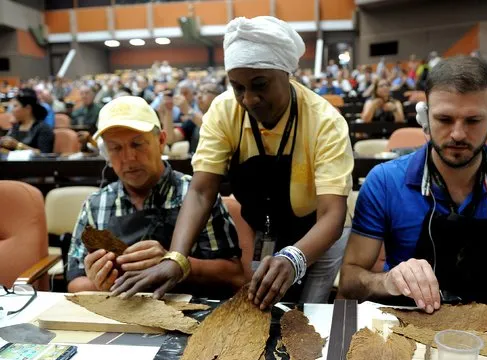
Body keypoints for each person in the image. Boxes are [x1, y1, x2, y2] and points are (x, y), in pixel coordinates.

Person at [110, 16, 354, 308]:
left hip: (318, 233)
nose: (249, 99)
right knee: (263, 311)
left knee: (306, 314)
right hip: (263, 230)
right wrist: (176, 258)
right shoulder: (225, 111)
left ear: (287, 73)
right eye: (238, 87)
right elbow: (201, 191)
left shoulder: (324, 122)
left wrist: (294, 258)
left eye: (260, 85)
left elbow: (332, 214)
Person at [338, 56, 487, 317]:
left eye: (473, 121)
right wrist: (387, 281)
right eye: (445, 119)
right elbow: (349, 279)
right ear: (425, 115)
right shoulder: (385, 182)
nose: (458, 134)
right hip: (406, 323)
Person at [66, 96, 244, 298]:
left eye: (137, 144)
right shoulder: (96, 205)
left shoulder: (196, 195)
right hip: (120, 316)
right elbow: (74, 282)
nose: (128, 158)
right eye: (115, 148)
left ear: (161, 141)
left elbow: (235, 277)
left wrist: (176, 262)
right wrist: (97, 282)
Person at [0, 88, 54, 153]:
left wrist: (17, 145)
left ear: (28, 108)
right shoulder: (16, 127)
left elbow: (44, 154)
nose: (12, 110)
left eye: (15, 106)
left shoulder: (43, 128)